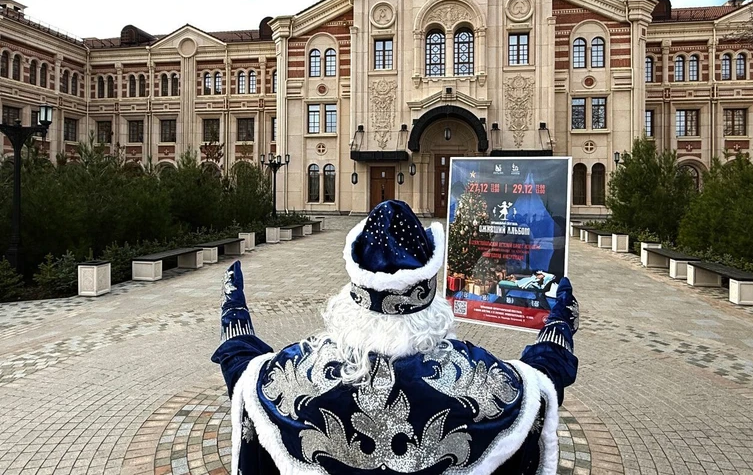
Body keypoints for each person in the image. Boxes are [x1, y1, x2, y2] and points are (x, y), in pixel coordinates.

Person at [212, 200, 579, 475]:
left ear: (355, 289)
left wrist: (233, 312)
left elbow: (244, 370)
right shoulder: (480, 379)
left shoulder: (296, 375)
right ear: (429, 292)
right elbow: (543, 377)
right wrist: (559, 323)